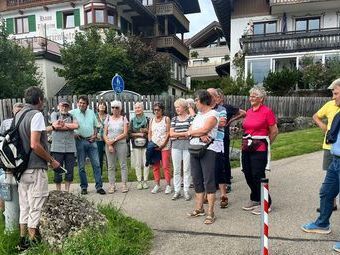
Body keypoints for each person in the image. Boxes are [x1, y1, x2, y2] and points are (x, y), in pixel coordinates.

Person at [16, 87, 60, 250]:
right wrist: (51, 161)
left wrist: (52, 127)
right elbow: (35, 144)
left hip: (21, 169)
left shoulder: (19, 114)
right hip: (35, 167)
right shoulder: (36, 115)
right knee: (36, 205)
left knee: (24, 205)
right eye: (43, 100)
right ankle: (33, 244)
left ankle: (22, 241)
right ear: (40, 99)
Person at [301, 86, 340, 253]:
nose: (333, 97)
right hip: (336, 161)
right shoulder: (338, 113)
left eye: (336, 93)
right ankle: (322, 224)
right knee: (326, 192)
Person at [241, 86, 278, 215]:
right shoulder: (249, 111)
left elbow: (274, 131)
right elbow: (247, 127)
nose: (251, 98)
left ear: (261, 99)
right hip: (247, 145)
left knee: (258, 174)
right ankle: (256, 198)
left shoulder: (267, 112)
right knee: (247, 173)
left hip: (260, 147)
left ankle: (267, 203)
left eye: (254, 96)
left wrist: (266, 144)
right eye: (250, 95)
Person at [187, 90, 218, 224]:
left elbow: (205, 129)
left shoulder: (213, 114)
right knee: (197, 179)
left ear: (202, 101)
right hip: (194, 148)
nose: (195, 103)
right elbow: (192, 130)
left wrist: (194, 132)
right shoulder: (198, 115)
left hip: (208, 150)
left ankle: (211, 212)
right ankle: (199, 208)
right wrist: (197, 134)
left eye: (196, 100)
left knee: (209, 180)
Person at [312, 78, 340, 212]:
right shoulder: (329, 105)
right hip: (330, 147)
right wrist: (323, 126)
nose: (333, 97)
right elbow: (315, 116)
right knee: (331, 176)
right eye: (333, 94)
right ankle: (331, 203)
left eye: (336, 93)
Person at [70, 96, 106, 195]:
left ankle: (99, 187)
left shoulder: (91, 113)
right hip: (80, 141)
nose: (81, 104)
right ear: (78, 103)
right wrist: (73, 133)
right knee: (81, 166)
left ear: (87, 104)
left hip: (91, 141)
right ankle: (84, 187)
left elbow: (96, 125)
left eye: (84, 103)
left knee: (97, 165)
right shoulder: (72, 113)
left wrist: (95, 135)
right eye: (80, 103)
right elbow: (67, 125)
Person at [216, 88, 246, 193]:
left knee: (224, 158)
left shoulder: (227, 107)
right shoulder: (212, 108)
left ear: (220, 97)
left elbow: (243, 113)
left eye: (216, 97)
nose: (215, 99)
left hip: (224, 136)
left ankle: (227, 181)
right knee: (216, 158)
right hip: (215, 137)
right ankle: (218, 181)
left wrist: (232, 120)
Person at [47, 99, 78, 192]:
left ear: (68, 107)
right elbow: (55, 126)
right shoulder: (54, 115)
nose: (64, 108)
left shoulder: (72, 116)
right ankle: (58, 191)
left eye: (66, 106)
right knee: (57, 169)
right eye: (62, 106)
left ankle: (67, 191)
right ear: (58, 107)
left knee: (69, 170)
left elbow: (76, 126)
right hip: (57, 147)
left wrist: (64, 125)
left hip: (70, 148)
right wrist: (69, 126)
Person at [207, 88, 228, 209]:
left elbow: (223, 123)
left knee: (220, 169)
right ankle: (207, 195)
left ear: (215, 97)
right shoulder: (204, 109)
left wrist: (208, 124)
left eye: (210, 95)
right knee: (208, 170)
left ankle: (223, 195)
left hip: (218, 142)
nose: (207, 97)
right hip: (205, 142)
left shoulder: (222, 109)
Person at [0, 102, 24, 211]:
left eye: (20, 109)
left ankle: (20, 207)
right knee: (6, 180)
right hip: (8, 154)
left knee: (21, 181)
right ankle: (5, 210)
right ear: (12, 111)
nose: (18, 111)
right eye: (16, 109)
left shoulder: (24, 121)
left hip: (21, 154)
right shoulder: (6, 122)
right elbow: (1, 137)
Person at [103, 100, 129, 193]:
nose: (114, 109)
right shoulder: (108, 118)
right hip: (109, 144)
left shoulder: (123, 118)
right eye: (113, 107)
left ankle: (124, 184)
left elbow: (125, 133)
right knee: (110, 166)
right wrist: (108, 143)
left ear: (120, 109)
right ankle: (112, 185)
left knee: (123, 164)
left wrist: (113, 140)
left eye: (117, 107)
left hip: (121, 143)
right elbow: (104, 133)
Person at [170, 98, 193, 201]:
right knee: (176, 170)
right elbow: (171, 134)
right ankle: (177, 191)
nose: (177, 109)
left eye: (178, 107)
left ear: (184, 107)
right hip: (175, 147)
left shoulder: (190, 118)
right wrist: (183, 134)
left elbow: (191, 133)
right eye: (176, 107)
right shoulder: (174, 119)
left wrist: (177, 135)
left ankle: (186, 190)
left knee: (187, 169)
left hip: (187, 147)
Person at [149, 102, 171, 194]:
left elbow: (168, 132)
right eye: (155, 110)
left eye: (158, 110)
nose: (156, 111)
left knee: (166, 166)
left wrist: (163, 144)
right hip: (154, 146)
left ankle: (168, 185)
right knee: (155, 166)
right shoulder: (151, 120)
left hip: (164, 146)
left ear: (162, 110)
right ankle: (157, 184)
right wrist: (151, 143)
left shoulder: (166, 119)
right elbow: (150, 132)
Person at [129, 102, 149, 190]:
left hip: (146, 144)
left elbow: (150, 131)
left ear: (142, 109)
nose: (137, 109)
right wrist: (140, 134)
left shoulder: (147, 119)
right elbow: (129, 133)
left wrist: (145, 130)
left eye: (139, 107)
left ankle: (145, 181)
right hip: (135, 144)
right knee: (137, 163)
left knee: (146, 162)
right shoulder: (132, 121)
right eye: (136, 108)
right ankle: (139, 181)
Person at [96, 100, 108, 175]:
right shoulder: (94, 116)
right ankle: (99, 174)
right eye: (100, 104)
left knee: (108, 157)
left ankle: (110, 173)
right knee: (99, 157)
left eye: (104, 105)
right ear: (98, 106)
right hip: (98, 139)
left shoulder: (108, 116)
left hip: (107, 139)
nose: (102, 106)